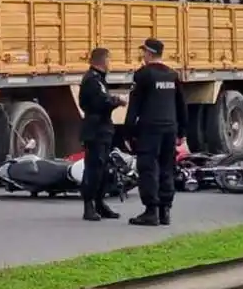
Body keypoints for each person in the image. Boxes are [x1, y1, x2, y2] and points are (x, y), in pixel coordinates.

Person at [124, 38, 188, 227]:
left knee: (148, 168)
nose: (142, 55)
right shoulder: (172, 75)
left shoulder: (143, 75)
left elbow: (134, 106)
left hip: (150, 129)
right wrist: (182, 131)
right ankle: (165, 211)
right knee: (167, 167)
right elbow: (181, 105)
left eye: (144, 52)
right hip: (170, 128)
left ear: (149, 54)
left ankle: (151, 211)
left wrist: (128, 133)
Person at [79, 47, 126, 221]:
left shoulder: (99, 79)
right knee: (94, 167)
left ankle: (99, 202)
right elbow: (101, 101)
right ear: (103, 61)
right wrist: (117, 101)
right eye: (108, 60)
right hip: (95, 130)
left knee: (104, 168)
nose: (110, 64)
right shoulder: (92, 80)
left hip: (103, 128)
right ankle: (89, 204)